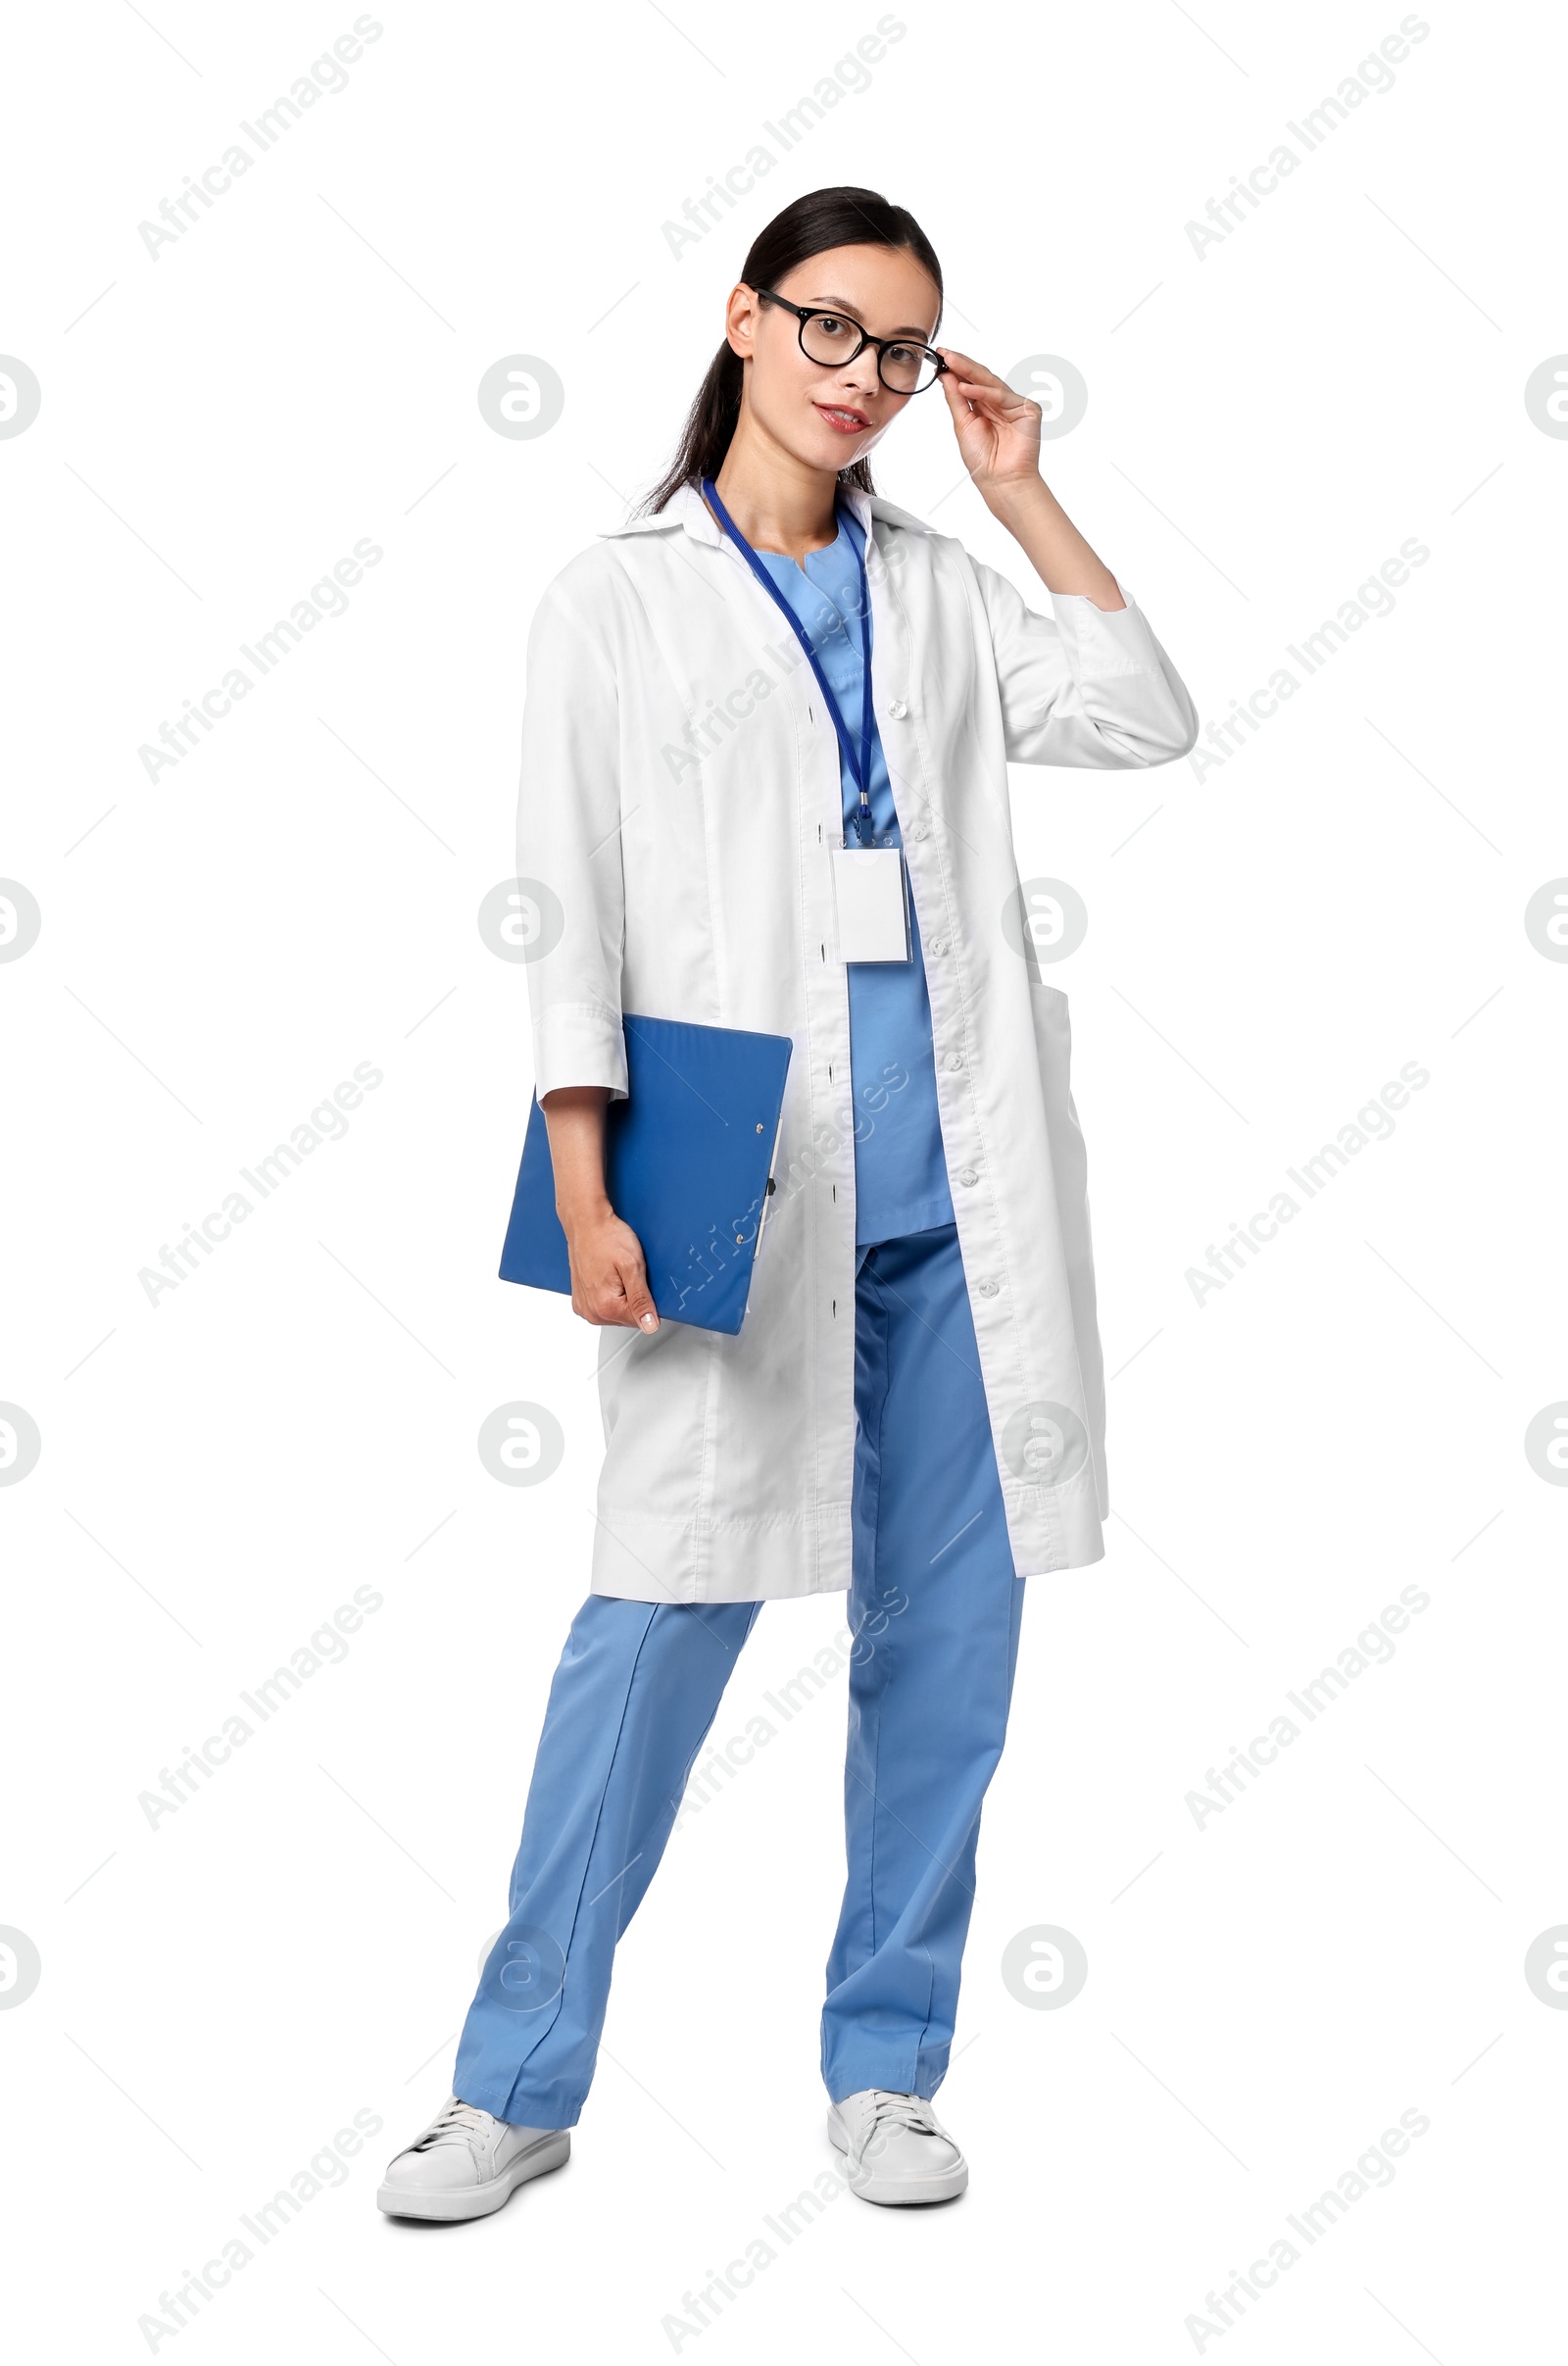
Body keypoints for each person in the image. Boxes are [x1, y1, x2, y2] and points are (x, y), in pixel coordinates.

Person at [377, 185, 1198, 2223]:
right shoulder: (617, 595)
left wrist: (1019, 494)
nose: (865, 383)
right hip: (729, 1166)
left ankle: (885, 2067)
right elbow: (566, 911)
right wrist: (581, 1184)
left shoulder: (929, 584)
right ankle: (515, 2080)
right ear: (741, 320)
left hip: (959, 1182)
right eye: (832, 332)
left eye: (903, 355)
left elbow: (1139, 711)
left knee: (950, 1641)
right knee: (653, 1617)